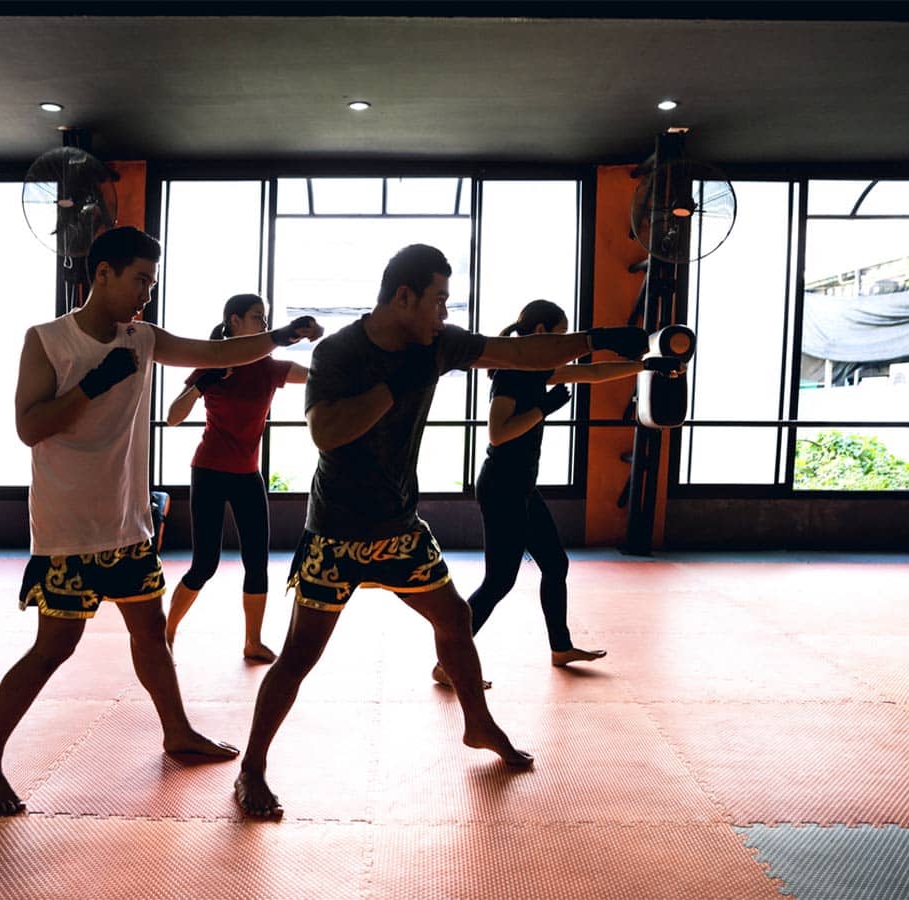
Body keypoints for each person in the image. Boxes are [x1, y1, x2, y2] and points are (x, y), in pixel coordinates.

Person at [233, 243, 650, 818]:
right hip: (337, 533)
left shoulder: (439, 344)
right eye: (438, 301)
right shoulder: (340, 353)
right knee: (301, 653)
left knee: (454, 620)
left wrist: (596, 339)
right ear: (404, 297)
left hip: (402, 526)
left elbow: (518, 353)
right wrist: (396, 385)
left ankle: (477, 726)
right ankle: (251, 769)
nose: (444, 314)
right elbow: (326, 434)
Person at [0, 226, 322, 817]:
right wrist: (90, 387)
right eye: (138, 279)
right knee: (54, 648)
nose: (145, 294)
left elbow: (215, 355)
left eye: (151, 283)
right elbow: (30, 428)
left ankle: (177, 731)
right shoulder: (48, 341)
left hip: (128, 525)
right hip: (69, 530)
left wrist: (280, 335)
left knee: (150, 632)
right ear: (101, 273)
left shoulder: (143, 338)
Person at [446, 298, 681, 680]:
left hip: (521, 485)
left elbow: (591, 373)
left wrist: (645, 366)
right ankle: (449, 663)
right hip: (502, 486)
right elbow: (498, 433)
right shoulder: (511, 371)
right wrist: (543, 409)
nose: (562, 346)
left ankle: (560, 647)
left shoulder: (536, 369)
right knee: (499, 582)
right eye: (559, 335)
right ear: (540, 333)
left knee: (555, 564)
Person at [164, 293, 309, 664]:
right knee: (204, 564)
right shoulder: (211, 363)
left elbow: (318, 376)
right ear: (234, 321)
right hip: (210, 471)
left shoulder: (268, 367)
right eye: (258, 317)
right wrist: (202, 384)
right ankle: (165, 634)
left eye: (266, 318)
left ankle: (252, 642)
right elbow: (173, 417)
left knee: (257, 562)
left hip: (248, 475)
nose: (264, 324)